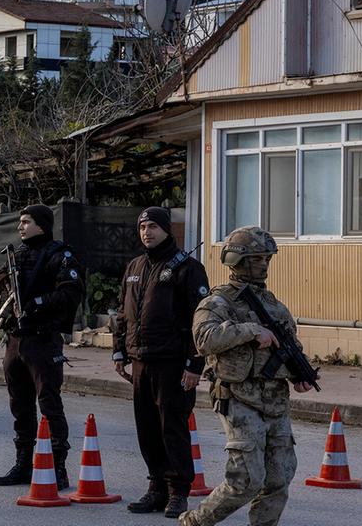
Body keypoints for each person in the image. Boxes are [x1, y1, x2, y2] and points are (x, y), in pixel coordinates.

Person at [179, 227, 313, 526]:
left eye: (267, 258)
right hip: (239, 397)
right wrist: (251, 331)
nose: (264, 264)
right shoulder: (218, 302)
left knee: (279, 477)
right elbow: (204, 339)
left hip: (275, 400)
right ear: (237, 259)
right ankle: (195, 521)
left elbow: (290, 344)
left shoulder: (274, 305)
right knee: (246, 480)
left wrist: (297, 374)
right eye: (257, 258)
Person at [113, 207, 210, 517]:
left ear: (167, 230)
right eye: (142, 227)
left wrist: (195, 365)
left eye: (153, 226)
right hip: (141, 361)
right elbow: (122, 313)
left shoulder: (187, 268)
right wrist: (119, 352)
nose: (147, 232)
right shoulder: (134, 266)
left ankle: (178, 491)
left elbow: (200, 320)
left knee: (173, 428)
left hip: (173, 364)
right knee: (148, 429)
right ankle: (156, 488)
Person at [0, 204, 83, 489]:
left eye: (26, 222)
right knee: (20, 406)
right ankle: (23, 464)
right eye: (20, 221)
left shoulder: (59, 255)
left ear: (41, 225)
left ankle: (58, 466)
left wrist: (37, 304)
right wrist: (4, 279)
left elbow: (70, 293)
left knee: (49, 404)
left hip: (43, 339)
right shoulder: (17, 254)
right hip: (16, 340)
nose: (21, 227)